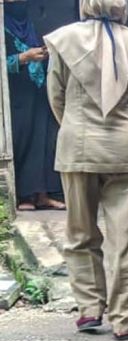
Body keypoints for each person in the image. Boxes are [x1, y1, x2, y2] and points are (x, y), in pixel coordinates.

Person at [43, 0, 128, 338]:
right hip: (127, 149)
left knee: (80, 232)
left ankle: (90, 310)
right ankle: (126, 320)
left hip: (78, 144)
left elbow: (56, 96)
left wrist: (76, 128)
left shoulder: (62, 40)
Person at [4, 0, 64, 211]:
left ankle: (42, 194)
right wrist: (23, 57)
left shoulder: (28, 23)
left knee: (43, 140)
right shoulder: (2, 24)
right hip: (15, 95)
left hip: (37, 90)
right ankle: (24, 196)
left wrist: (43, 54)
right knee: (23, 139)